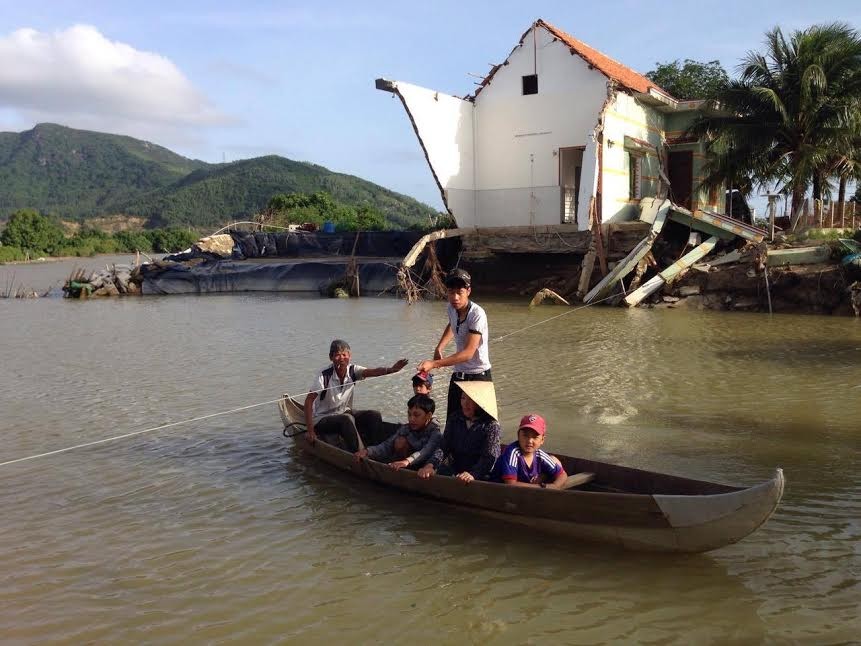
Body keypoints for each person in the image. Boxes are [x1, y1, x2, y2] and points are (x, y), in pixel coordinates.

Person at [304, 339, 407, 450]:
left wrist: (391, 370)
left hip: (343, 413)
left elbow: (373, 372)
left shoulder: (353, 370)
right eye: (337, 355)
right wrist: (310, 431)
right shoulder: (324, 375)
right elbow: (308, 401)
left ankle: (375, 449)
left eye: (344, 355)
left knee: (374, 415)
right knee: (346, 419)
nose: (342, 358)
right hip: (322, 418)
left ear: (350, 356)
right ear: (331, 357)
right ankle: (359, 453)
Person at [417, 268, 491, 420]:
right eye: (451, 292)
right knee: (453, 420)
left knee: (482, 423)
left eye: (460, 292)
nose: (455, 297)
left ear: (468, 291)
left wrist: (435, 363)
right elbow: (452, 324)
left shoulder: (477, 314)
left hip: (478, 375)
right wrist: (440, 346)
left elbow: (468, 353)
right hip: (459, 374)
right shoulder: (451, 308)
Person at [418, 381, 501, 484]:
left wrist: (473, 474)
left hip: (481, 475)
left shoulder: (491, 425)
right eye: (463, 398)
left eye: (471, 399)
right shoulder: (455, 418)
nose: (465, 404)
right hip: (456, 470)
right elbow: (444, 446)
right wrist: (430, 465)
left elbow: (489, 458)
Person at [354, 394, 442, 470]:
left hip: (425, 466)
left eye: (416, 415)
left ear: (428, 416)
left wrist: (406, 461)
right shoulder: (406, 428)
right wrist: (367, 451)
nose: (411, 419)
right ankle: (401, 469)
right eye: (409, 414)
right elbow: (387, 445)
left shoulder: (435, 433)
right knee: (400, 442)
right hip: (407, 463)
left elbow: (425, 451)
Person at [491, 414, 567, 489]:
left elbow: (562, 474)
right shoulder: (512, 452)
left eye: (535, 437)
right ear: (518, 435)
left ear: (542, 440)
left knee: (554, 460)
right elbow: (510, 484)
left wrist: (554, 486)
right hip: (500, 490)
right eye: (525, 435)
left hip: (526, 488)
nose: (529, 441)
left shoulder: (540, 455)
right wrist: (541, 487)